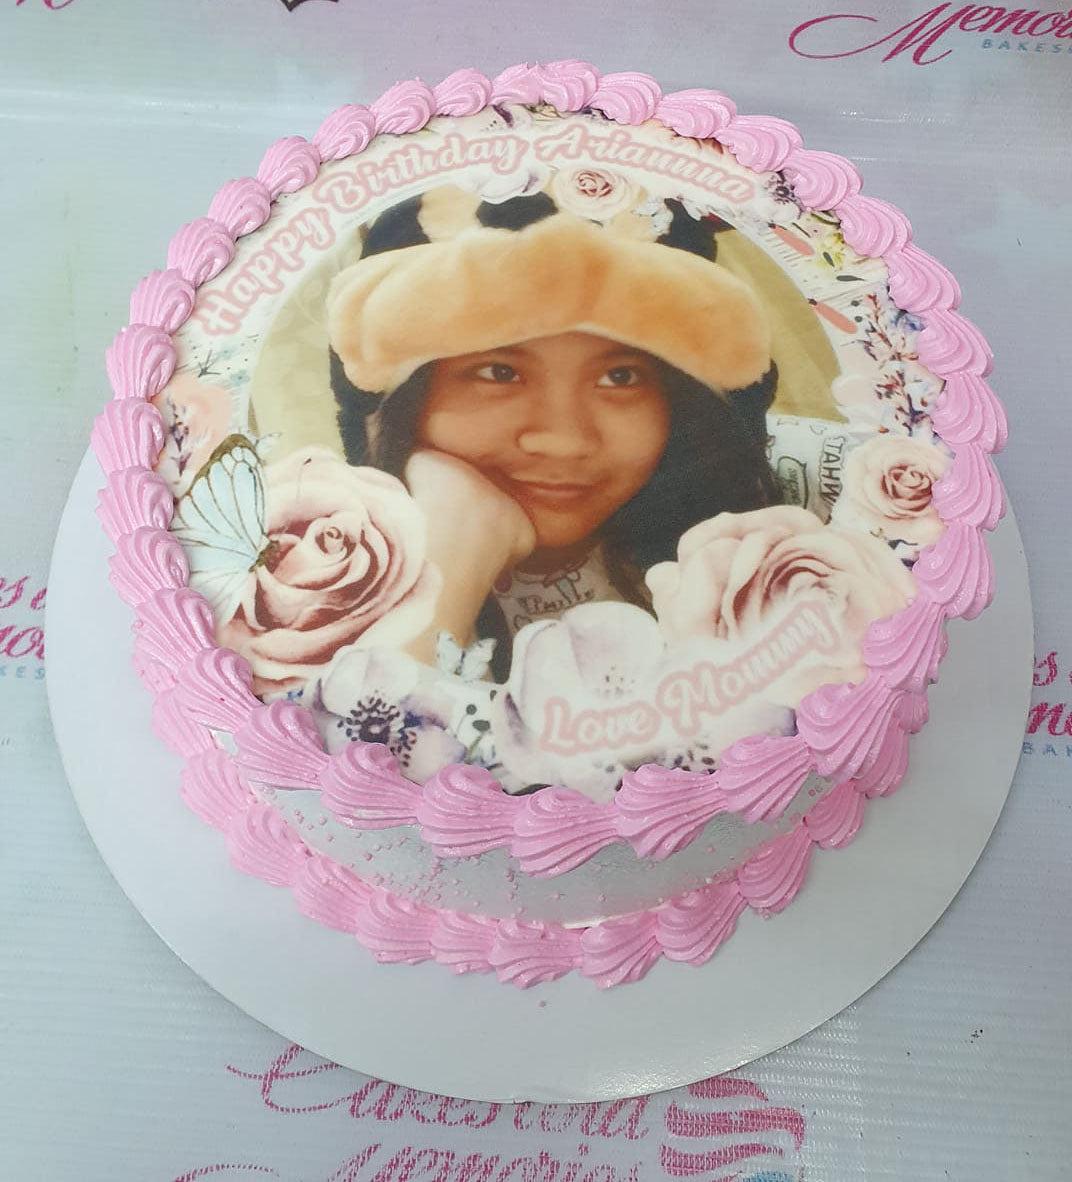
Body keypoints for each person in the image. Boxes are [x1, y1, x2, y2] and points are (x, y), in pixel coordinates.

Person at [324, 182, 817, 677]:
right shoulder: (299, 563)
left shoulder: (828, 492)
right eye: (500, 373)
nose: (565, 439)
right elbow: (378, 739)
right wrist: (442, 566)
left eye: (619, 377)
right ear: (401, 400)